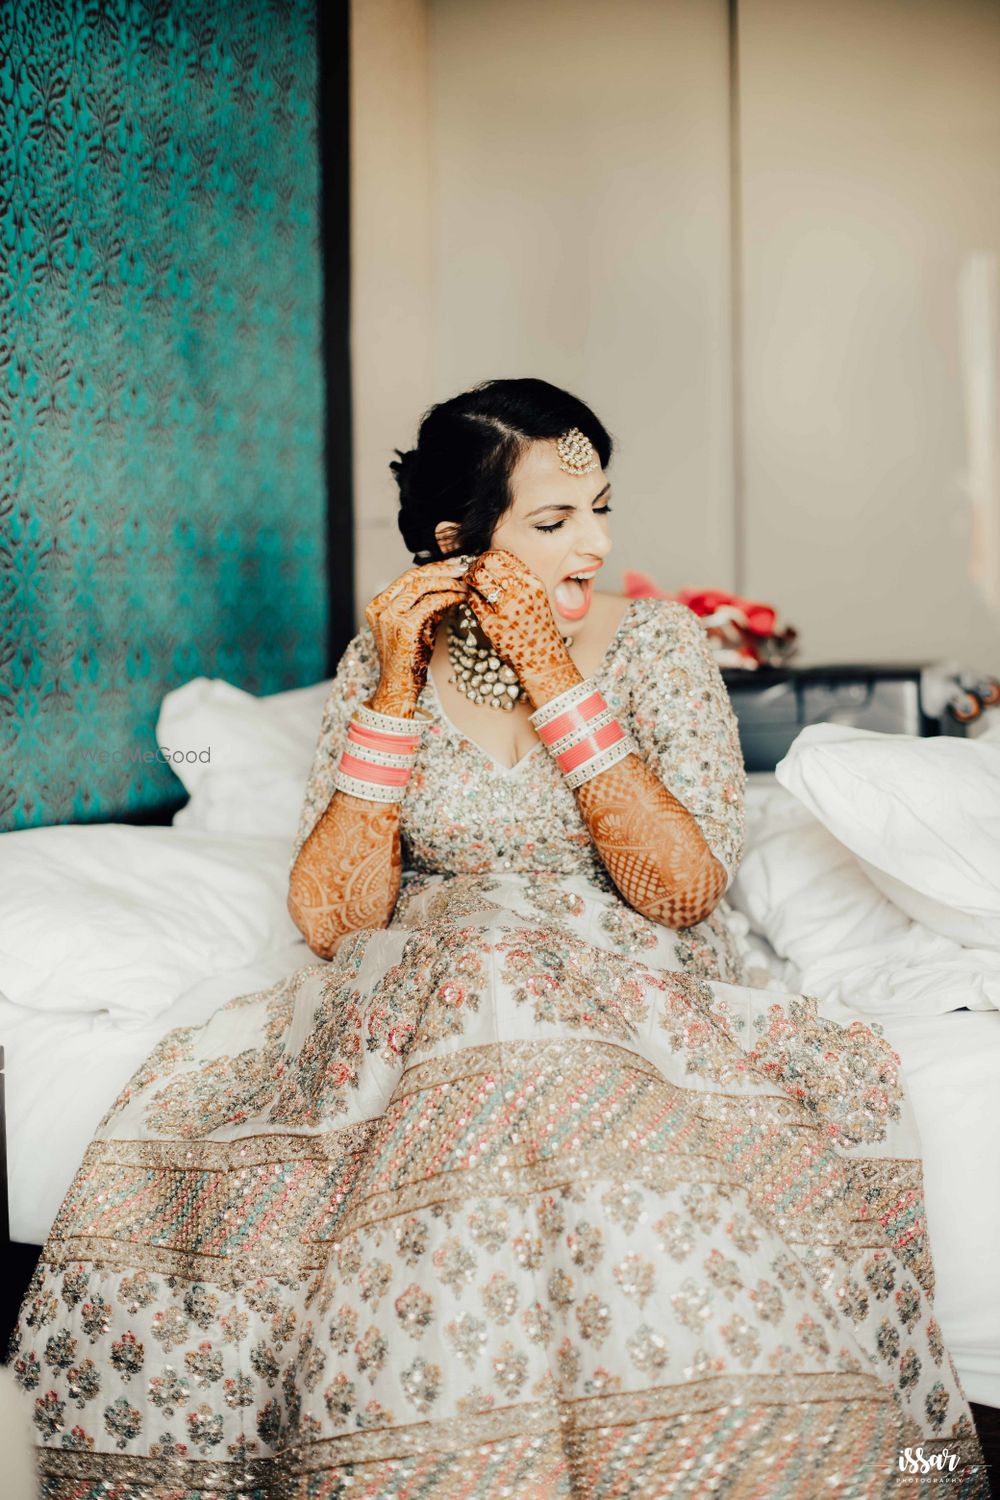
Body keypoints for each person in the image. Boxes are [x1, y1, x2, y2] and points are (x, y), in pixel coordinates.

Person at [11, 378, 987, 1497]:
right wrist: (387, 690)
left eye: (603, 510)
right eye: (557, 521)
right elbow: (334, 920)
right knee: (473, 953)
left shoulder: (658, 645)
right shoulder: (377, 670)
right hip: (431, 972)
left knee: (504, 964)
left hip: (625, 970)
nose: (599, 544)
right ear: (455, 545)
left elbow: (679, 891)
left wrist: (552, 672)